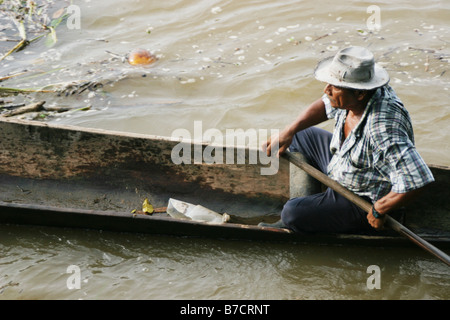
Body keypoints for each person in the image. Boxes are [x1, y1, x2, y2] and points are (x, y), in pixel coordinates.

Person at [260, 46, 434, 234]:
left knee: (292, 212)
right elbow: (324, 105)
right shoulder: (353, 96)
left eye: (334, 87)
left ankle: (301, 218)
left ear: (360, 93)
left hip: (361, 198)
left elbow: (418, 179)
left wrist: (380, 208)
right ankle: (317, 204)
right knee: (300, 135)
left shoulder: (383, 128)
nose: (326, 90)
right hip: (345, 165)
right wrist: (289, 130)